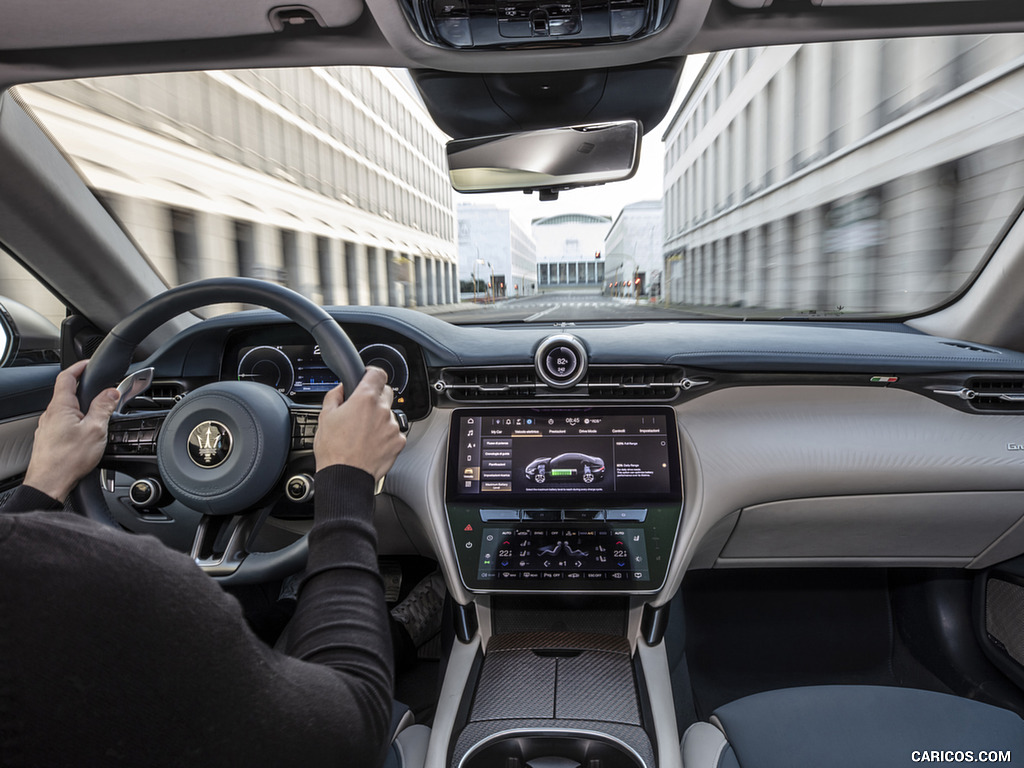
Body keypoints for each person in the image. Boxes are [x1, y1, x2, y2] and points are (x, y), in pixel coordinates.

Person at [0, 359, 406, 767]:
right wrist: (347, 481)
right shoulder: (126, 587)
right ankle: (404, 626)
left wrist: (43, 485)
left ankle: (292, 603)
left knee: (269, 611)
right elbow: (350, 729)